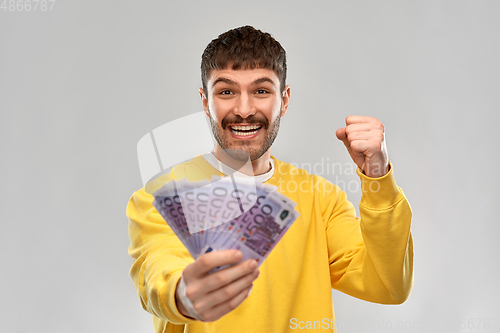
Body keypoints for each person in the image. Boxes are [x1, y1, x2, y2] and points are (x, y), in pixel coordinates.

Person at [127, 25, 413, 333]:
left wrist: (378, 175)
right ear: (205, 101)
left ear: (284, 99)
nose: (245, 109)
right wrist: (184, 294)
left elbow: (389, 285)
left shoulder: (320, 199)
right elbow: (156, 273)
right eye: (226, 91)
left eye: (261, 91)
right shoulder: (159, 197)